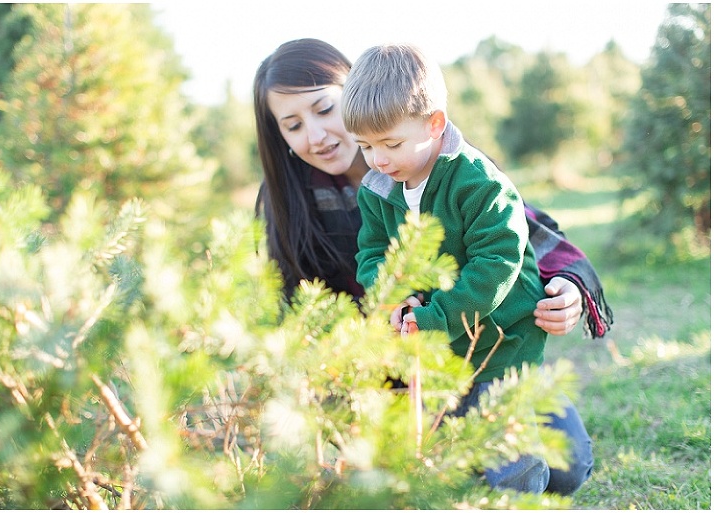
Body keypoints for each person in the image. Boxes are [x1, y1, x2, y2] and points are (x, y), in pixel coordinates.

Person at [253, 38, 610, 494]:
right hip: (388, 378)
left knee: (568, 468)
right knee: (459, 474)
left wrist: (569, 286)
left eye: (325, 109)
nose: (317, 134)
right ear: (277, 135)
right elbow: (300, 313)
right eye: (292, 124)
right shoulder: (290, 206)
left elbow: (520, 234)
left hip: (486, 345)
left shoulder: (446, 163)